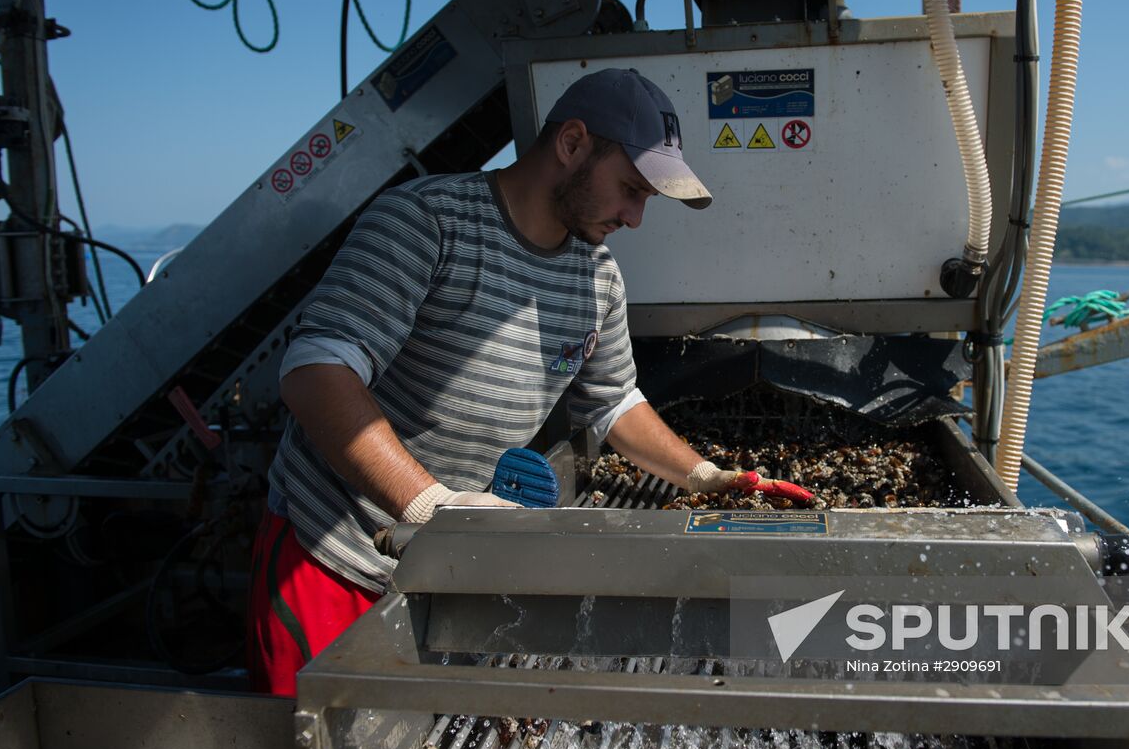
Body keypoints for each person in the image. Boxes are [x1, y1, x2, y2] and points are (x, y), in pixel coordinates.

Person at [247, 68, 764, 695]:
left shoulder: (596, 278)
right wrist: (429, 507)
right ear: (572, 144)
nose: (635, 218)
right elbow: (314, 375)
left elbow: (614, 404)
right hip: (333, 559)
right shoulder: (425, 222)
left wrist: (702, 475)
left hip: (447, 563)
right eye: (630, 188)